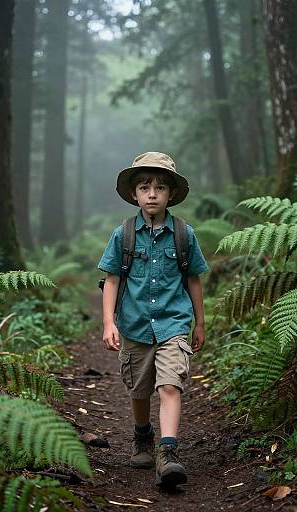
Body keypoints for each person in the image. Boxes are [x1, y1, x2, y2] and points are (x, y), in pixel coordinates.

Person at [98, 151, 208, 487]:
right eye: (144, 187)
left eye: (160, 188)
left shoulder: (183, 234)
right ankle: (142, 435)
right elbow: (113, 278)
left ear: (171, 194)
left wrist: (200, 323)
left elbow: (193, 279)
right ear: (134, 194)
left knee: (170, 384)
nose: (152, 194)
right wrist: (108, 322)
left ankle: (168, 452)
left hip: (173, 323)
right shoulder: (124, 234)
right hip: (134, 325)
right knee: (140, 388)